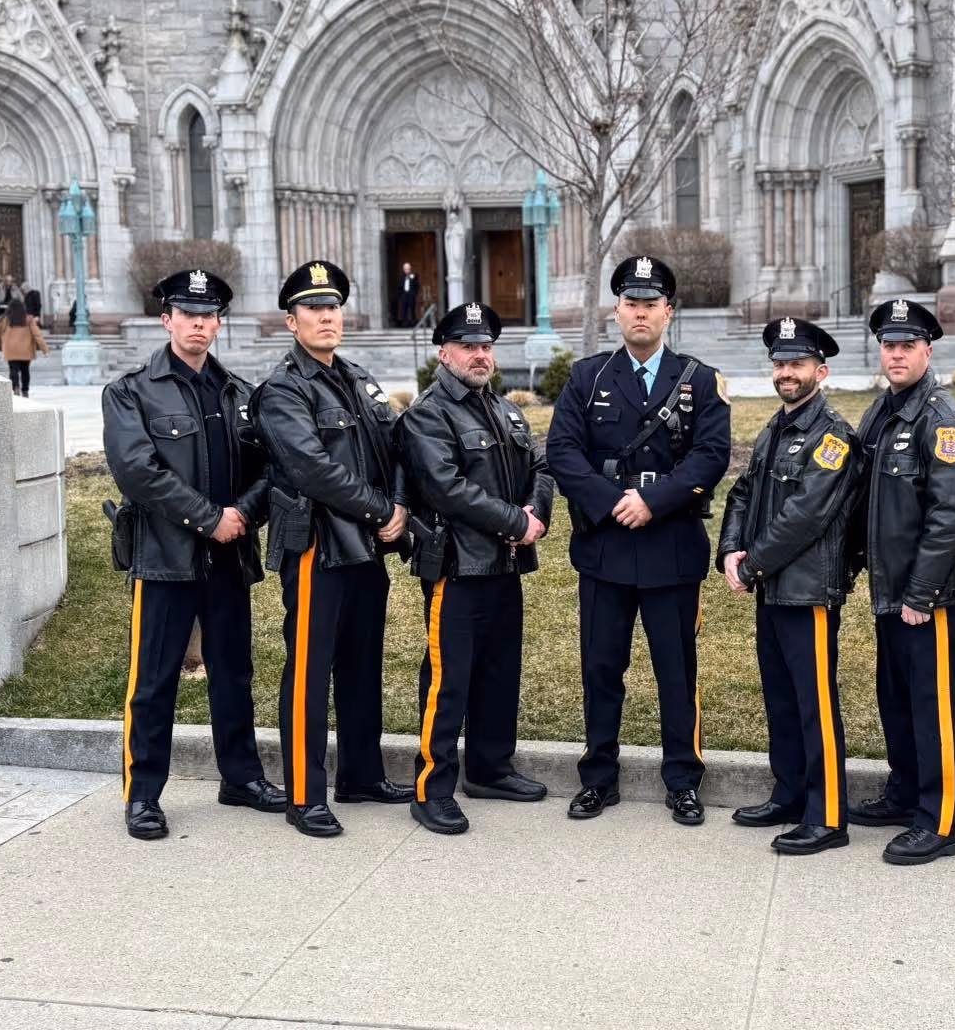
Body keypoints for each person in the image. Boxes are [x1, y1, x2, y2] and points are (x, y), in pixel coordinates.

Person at [545, 255, 732, 825]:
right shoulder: (588, 377)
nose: (641, 313)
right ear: (616, 312)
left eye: (652, 304)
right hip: (605, 549)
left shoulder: (699, 380)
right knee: (601, 669)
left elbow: (712, 453)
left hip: (671, 549)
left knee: (677, 671)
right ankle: (599, 777)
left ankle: (683, 778)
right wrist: (611, 503)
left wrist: (653, 500)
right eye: (631, 303)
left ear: (668, 312)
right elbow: (562, 453)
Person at [101, 268, 284, 840]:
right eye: (187, 314)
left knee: (233, 672)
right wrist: (209, 518)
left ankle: (240, 777)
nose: (198, 324)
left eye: (207, 316)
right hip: (164, 557)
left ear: (218, 324)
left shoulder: (239, 393)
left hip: (228, 558)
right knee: (153, 682)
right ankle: (143, 796)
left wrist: (242, 516)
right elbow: (138, 472)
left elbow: (270, 467)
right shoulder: (130, 391)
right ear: (167, 320)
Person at [249, 260, 414, 838]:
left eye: (333, 307)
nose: (326, 317)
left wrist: (399, 507)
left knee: (363, 664)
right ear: (292, 320)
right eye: (313, 309)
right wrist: (381, 510)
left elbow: (395, 448)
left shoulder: (357, 377)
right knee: (310, 671)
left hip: (368, 547)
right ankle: (304, 792)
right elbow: (311, 469)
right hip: (318, 546)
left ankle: (363, 775)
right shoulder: (283, 390)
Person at [395, 301, 555, 835]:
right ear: (444, 353)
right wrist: (514, 521)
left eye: (486, 346)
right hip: (457, 568)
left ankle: (489, 769)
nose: (481, 355)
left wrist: (536, 514)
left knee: (497, 673)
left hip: (505, 566)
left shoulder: (505, 410)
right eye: (469, 346)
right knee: (448, 680)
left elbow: (540, 466)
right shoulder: (428, 413)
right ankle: (431, 788)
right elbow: (445, 487)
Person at [844, 299, 955, 865]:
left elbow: (952, 515)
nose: (896, 354)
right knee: (897, 701)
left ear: (928, 351)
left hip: (929, 595)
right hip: (891, 589)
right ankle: (904, 794)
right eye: (888, 345)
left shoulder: (941, 419)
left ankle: (940, 819)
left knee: (931, 707)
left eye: (907, 345)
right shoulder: (884, 411)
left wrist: (922, 593)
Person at [718, 318, 861, 856]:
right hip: (772, 588)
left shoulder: (832, 436)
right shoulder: (776, 428)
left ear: (819, 372)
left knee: (814, 703)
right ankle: (790, 794)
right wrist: (731, 547)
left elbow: (807, 516)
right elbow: (743, 493)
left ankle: (827, 816)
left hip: (806, 590)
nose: (786, 373)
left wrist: (752, 565)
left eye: (797, 364)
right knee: (781, 698)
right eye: (780, 364)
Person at [0, 298, 47, 397]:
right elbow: (37, 334)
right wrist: (44, 348)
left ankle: (15, 388)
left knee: (13, 370)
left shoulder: (4, 319)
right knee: (25, 371)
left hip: (11, 350)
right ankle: (25, 391)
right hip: (26, 350)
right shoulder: (29, 319)